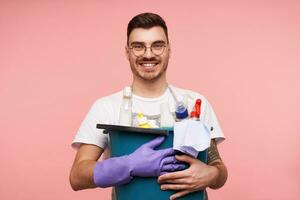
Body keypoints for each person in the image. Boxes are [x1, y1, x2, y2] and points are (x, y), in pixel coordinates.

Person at [69, 12, 228, 200]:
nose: (148, 54)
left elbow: (219, 168)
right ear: (127, 52)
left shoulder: (195, 103)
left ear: (169, 49)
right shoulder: (106, 107)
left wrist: (213, 175)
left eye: (158, 45)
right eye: (138, 46)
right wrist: (129, 165)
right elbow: (77, 177)